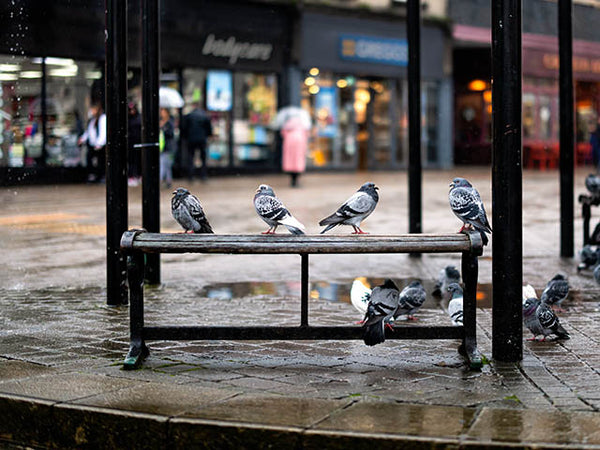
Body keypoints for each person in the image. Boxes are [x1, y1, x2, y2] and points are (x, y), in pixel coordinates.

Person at [181, 101, 212, 181]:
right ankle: (203, 175)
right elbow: (208, 128)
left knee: (191, 157)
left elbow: (184, 128)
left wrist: (185, 137)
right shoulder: (204, 116)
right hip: (202, 139)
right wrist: (208, 135)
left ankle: (191, 175)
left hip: (191, 139)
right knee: (203, 158)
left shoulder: (189, 116)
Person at [78, 103, 106, 183]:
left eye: (93, 110)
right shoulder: (92, 120)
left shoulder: (102, 118)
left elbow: (103, 133)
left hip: (100, 145)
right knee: (90, 159)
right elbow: (89, 132)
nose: (91, 112)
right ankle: (93, 175)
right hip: (93, 144)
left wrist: (99, 143)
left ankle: (101, 176)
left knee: (101, 161)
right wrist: (82, 139)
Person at [281, 116, 309, 187]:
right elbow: (307, 134)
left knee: (291, 161)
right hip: (299, 144)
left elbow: (283, 133)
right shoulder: (302, 126)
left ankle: (293, 181)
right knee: (298, 162)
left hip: (289, 144)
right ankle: (296, 181)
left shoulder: (288, 126)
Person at [159, 107, 175, 189]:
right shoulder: (161, 122)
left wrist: (163, 128)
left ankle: (162, 180)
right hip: (162, 147)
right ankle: (168, 181)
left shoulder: (169, 123)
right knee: (164, 165)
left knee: (165, 165)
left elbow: (170, 133)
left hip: (168, 148)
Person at [127, 102, 142, 186]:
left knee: (139, 160)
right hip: (131, 144)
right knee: (132, 161)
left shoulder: (139, 118)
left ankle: (139, 175)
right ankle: (132, 176)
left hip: (138, 142)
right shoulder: (128, 119)